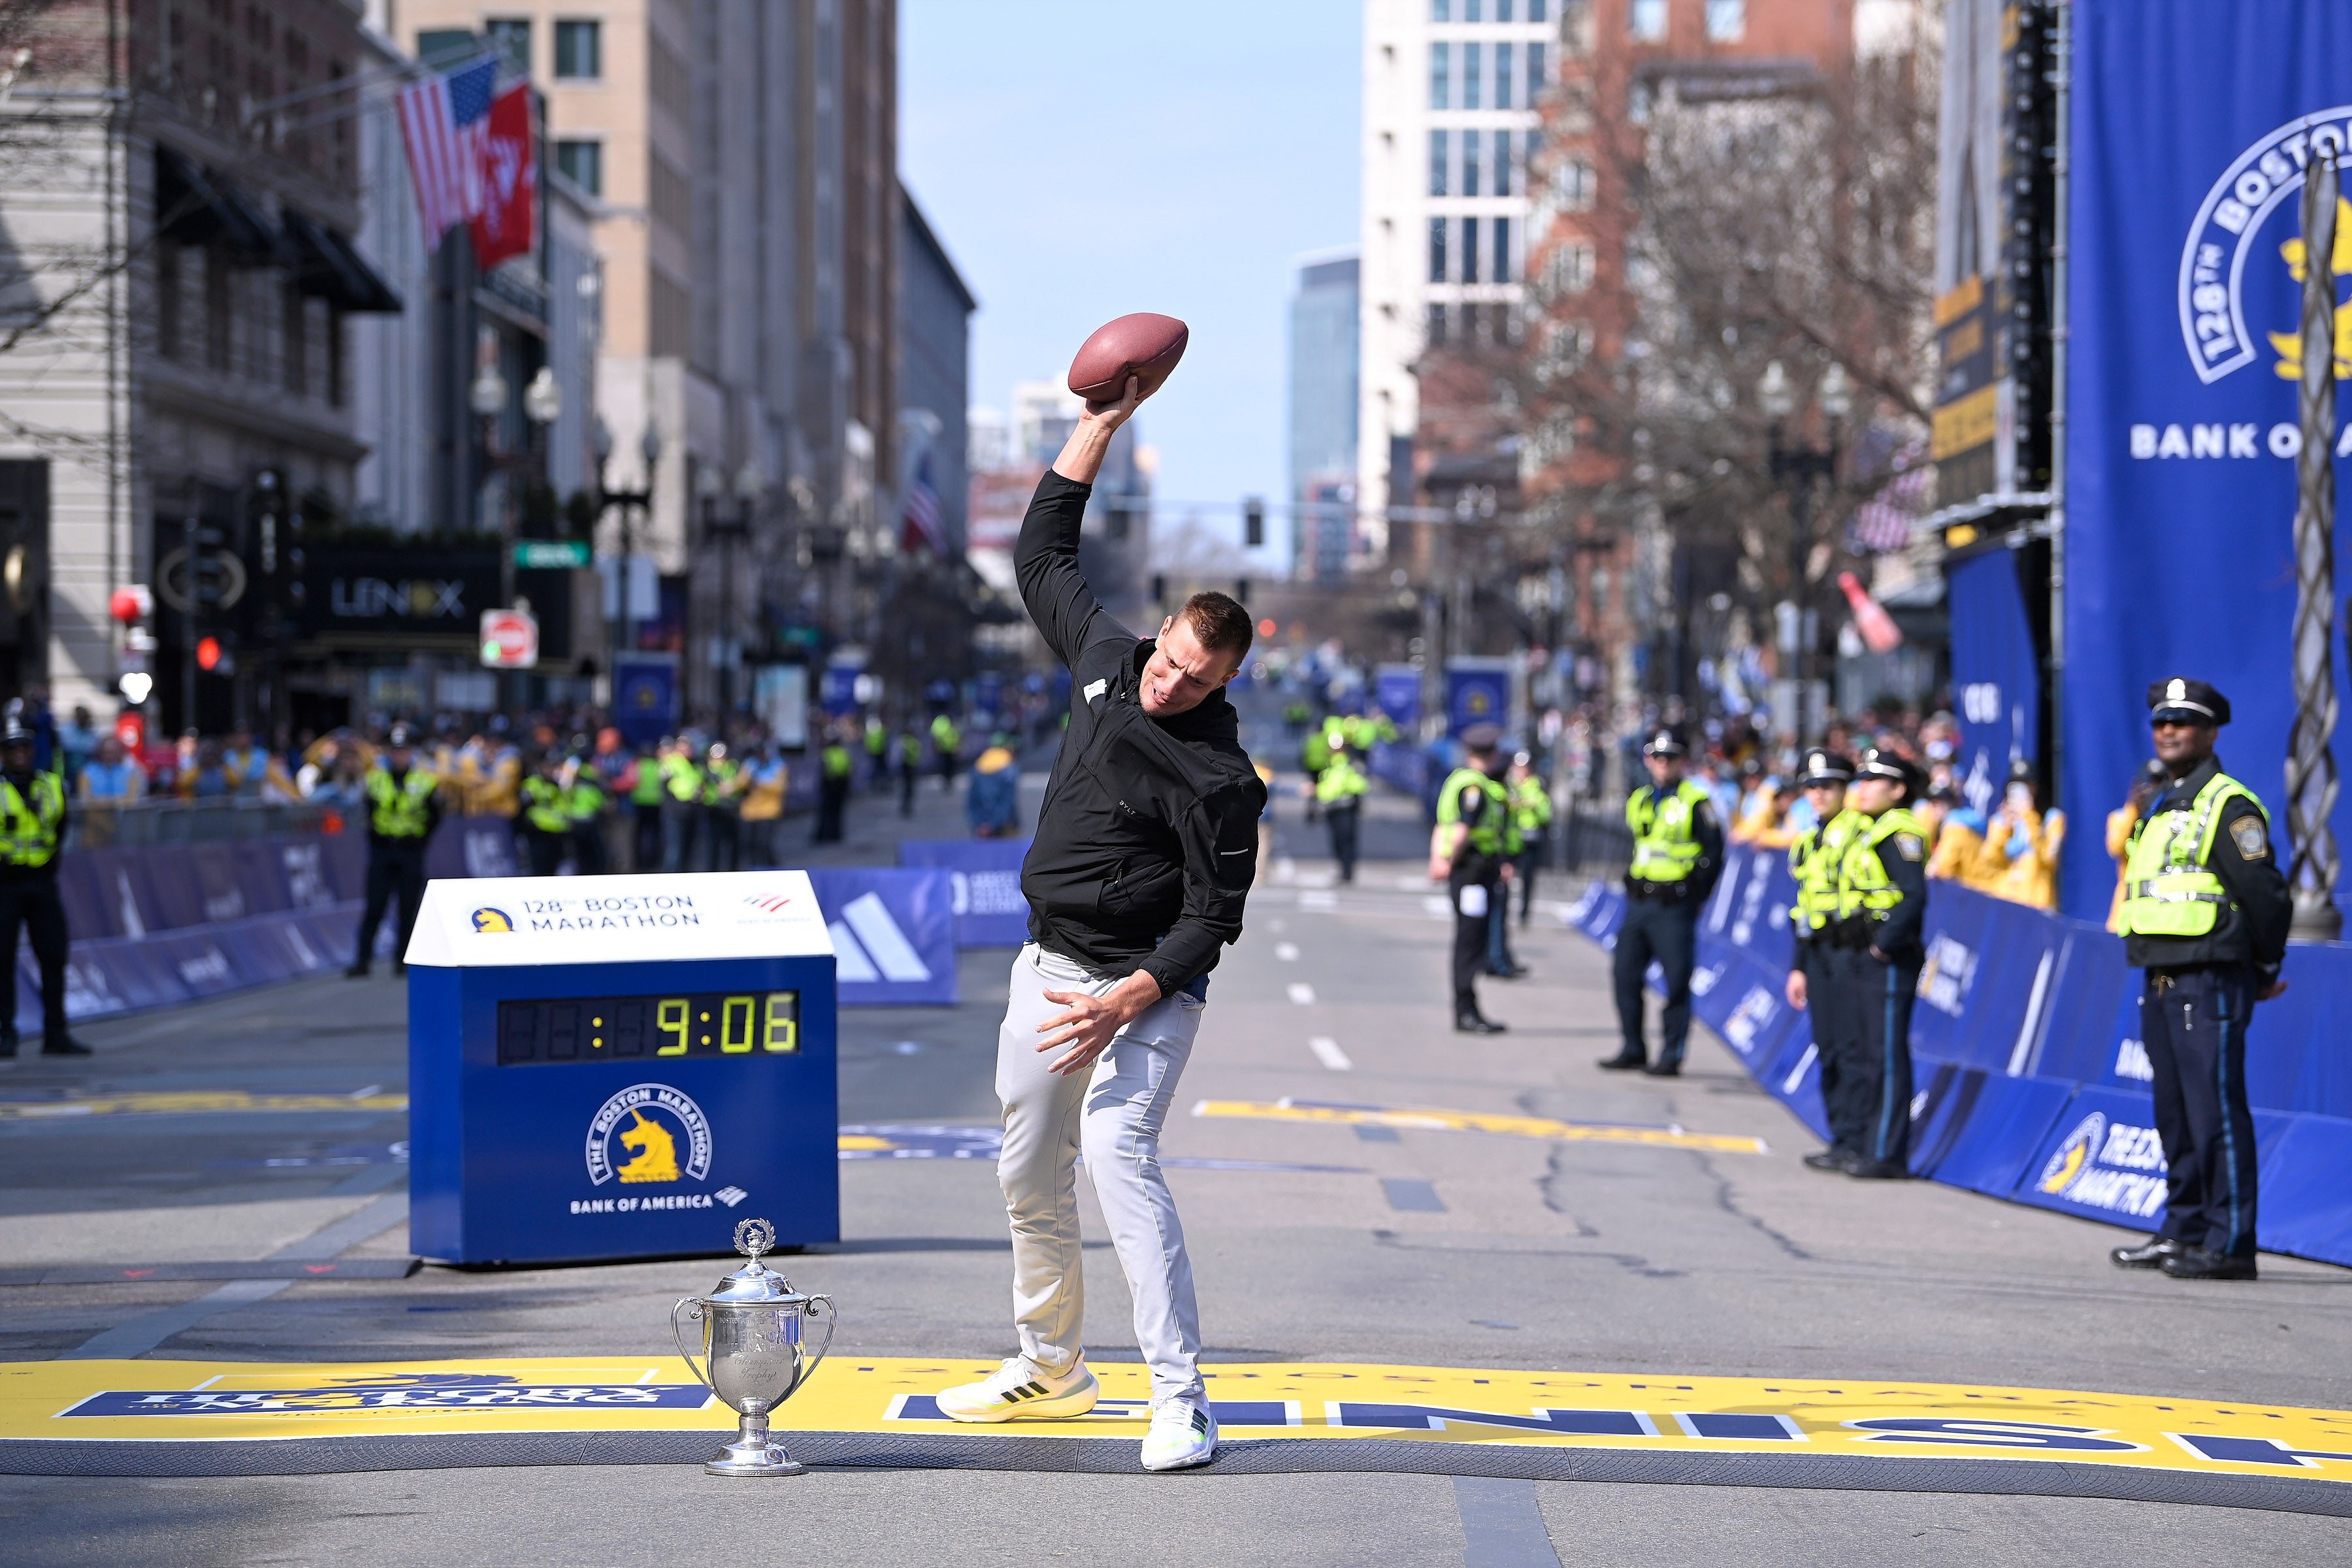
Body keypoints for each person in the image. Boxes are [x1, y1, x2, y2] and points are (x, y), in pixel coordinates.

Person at [932, 374, 1264, 1476]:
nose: (1167, 683)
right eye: (1167, 658)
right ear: (1161, 628)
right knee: (1028, 1175)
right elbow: (1041, 559)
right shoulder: (1105, 663)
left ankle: (1184, 1402)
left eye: (1193, 677)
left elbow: (1215, 916)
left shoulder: (1219, 773)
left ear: (1223, 680)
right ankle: (1052, 1365)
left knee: (1120, 1154)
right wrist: (1098, 427)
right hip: (1051, 969)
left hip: (1145, 992)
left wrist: (1136, 993)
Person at [2110, 678, 2289, 1281]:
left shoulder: (2229, 805)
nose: (2169, 732)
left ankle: (2231, 1241)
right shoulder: (2162, 803)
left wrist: (2264, 967)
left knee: (2214, 1111)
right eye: (2162, 722)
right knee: (2175, 1113)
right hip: (2160, 976)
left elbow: (2265, 895)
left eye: (2183, 723)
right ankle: (2183, 1229)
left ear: (2210, 733)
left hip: (2211, 976)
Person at [1823, 748, 1930, 1180]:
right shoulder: (1869, 829)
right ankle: (1867, 1144)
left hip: (1888, 957)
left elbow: (1914, 897)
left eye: (1873, 781)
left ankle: (1886, 1152)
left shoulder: (1898, 832)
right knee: (1865, 1053)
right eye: (1861, 780)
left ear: (1898, 790)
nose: (1861, 788)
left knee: (1886, 1056)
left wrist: (1883, 945)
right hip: (1861, 953)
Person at [1601, 729, 1723, 1076]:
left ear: (1683, 761)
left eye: (1670, 758)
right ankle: (1632, 1046)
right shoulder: (1640, 798)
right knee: (1624, 974)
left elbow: (1714, 852)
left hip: (1675, 904)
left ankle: (1671, 1054)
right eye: (1657, 757)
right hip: (1640, 901)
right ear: (1647, 760)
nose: (1663, 764)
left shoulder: (1697, 801)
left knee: (1676, 981)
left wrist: (1698, 894)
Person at [1780, 749, 1867, 1172]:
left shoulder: (1860, 832)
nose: (1817, 794)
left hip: (1851, 951)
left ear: (1846, 789)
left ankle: (1858, 1139)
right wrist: (1797, 966)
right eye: (1811, 787)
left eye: (1827, 786)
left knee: (1852, 1048)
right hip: (1817, 953)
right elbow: (1803, 907)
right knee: (1828, 1047)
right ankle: (1840, 1137)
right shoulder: (1808, 838)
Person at [0, 721, 88, 1057]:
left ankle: (56, 1034)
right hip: (4, 885)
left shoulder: (52, 786)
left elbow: (61, 828)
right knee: (2, 960)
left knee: (53, 956)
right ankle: (5, 1033)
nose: (19, 755)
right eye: (12, 749)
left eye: (24, 748)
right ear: (4, 754)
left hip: (41, 882)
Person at [1431, 723, 1513, 1035]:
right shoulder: (1476, 788)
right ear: (1492, 754)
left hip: (1467, 871)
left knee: (1469, 939)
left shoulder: (1458, 780)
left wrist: (1437, 860)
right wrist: (1447, 863)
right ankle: (1466, 1011)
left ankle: (1467, 1008)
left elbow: (1443, 825)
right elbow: (1462, 831)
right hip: (1473, 873)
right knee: (1470, 942)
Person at [348, 724, 440, 977]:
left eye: (404, 751)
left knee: (407, 908)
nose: (399, 756)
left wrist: (421, 840)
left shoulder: (425, 782)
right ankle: (362, 960)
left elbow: (436, 816)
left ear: (411, 752)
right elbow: (366, 813)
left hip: (411, 850)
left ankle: (403, 961)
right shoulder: (375, 780)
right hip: (383, 850)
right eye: (395, 751)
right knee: (375, 905)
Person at [1977, 759, 2065, 909]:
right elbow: (1989, 862)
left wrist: (2030, 817)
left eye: (2027, 784)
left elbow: (2049, 859)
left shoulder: (2052, 818)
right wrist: (2004, 828)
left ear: (2036, 787)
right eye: (2016, 785)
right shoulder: (2000, 821)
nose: (2022, 791)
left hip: (2038, 903)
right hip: (2005, 902)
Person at [2106, 758, 2169, 933]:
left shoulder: (2168, 819)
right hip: (2125, 909)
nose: (2152, 790)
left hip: (2159, 910)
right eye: (2148, 784)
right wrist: (2133, 808)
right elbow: (2115, 847)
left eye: (2159, 785)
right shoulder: (2120, 817)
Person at [1508, 752, 1553, 926]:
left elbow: (1546, 813)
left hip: (1530, 838)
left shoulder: (1537, 786)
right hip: (1512, 839)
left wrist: (1531, 805)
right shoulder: (1509, 785)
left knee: (1527, 877)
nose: (1521, 771)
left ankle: (1524, 913)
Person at [1316, 735, 1367, 883]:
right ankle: (1343, 868)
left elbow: (1360, 785)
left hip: (1346, 807)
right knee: (1337, 840)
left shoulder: (1351, 765)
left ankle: (1347, 870)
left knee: (1347, 839)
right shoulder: (1327, 765)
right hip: (1332, 809)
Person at [517, 751, 571, 877]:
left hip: (558, 832)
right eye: (548, 766)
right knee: (539, 867)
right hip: (538, 831)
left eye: (553, 766)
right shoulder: (533, 782)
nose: (550, 769)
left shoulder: (559, 784)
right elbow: (526, 799)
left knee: (557, 866)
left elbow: (564, 805)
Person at [740, 743, 788, 867]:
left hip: (769, 811)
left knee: (764, 844)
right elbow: (740, 784)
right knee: (750, 845)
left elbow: (780, 787)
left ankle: (770, 869)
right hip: (750, 811)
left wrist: (760, 783)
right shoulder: (750, 764)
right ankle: (754, 870)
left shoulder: (778, 765)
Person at [661, 736, 704, 872]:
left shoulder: (696, 763)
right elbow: (664, 785)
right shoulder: (670, 762)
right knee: (675, 849)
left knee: (689, 848)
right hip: (675, 810)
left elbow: (700, 783)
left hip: (692, 810)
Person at [968, 732, 1021, 837]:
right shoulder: (1008, 766)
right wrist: (993, 824)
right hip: (1005, 825)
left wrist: (979, 824)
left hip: (982, 827)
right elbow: (1007, 800)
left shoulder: (979, 765)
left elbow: (972, 800)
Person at [565, 747, 608, 875]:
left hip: (575, 820)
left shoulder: (572, 773)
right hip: (589, 820)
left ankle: (582, 874)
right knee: (595, 852)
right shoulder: (592, 774)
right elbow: (598, 799)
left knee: (580, 853)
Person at [703, 742, 742, 872]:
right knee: (714, 846)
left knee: (733, 846)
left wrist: (733, 787)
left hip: (731, 809)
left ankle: (732, 872)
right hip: (715, 809)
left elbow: (740, 783)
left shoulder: (733, 766)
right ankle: (712, 873)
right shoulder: (707, 768)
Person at [813, 724, 853, 843]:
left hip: (829, 787)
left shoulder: (827, 753)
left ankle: (824, 835)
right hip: (841, 787)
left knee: (826, 813)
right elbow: (849, 771)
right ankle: (836, 834)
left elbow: (823, 771)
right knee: (837, 813)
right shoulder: (845, 754)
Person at [931, 710, 962, 792]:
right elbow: (938, 740)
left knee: (951, 768)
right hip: (944, 751)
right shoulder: (945, 729)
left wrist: (958, 750)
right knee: (945, 767)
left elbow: (958, 741)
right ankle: (946, 781)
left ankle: (949, 780)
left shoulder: (954, 730)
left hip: (951, 752)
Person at [896, 724, 922, 818]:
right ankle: (906, 807)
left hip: (909, 767)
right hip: (908, 767)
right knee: (908, 788)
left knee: (908, 788)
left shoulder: (904, 741)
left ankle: (906, 806)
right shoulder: (908, 741)